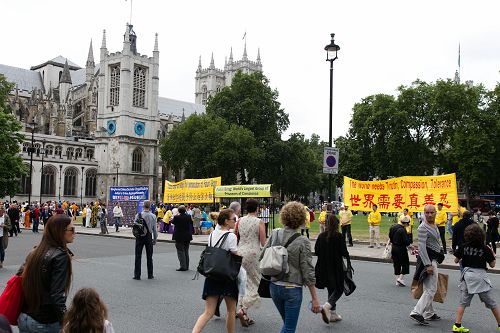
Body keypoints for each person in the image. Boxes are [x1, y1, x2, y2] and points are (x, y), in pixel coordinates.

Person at [260, 201, 321, 332]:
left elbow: (262, 256)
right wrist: (315, 298)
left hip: (274, 286)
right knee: (289, 328)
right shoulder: (303, 241)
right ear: (301, 219)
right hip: (292, 288)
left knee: (287, 324)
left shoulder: (275, 233)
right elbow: (308, 271)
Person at [18, 214, 75, 333]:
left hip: (25, 316)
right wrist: (66, 321)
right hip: (45, 321)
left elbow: (19, 276)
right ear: (60, 231)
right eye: (72, 229)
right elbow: (56, 294)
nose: (75, 233)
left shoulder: (36, 250)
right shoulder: (60, 256)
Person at [192, 208, 239, 333]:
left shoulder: (213, 233)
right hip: (226, 275)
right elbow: (234, 253)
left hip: (212, 274)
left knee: (208, 312)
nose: (235, 221)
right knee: (231, 310)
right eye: (233, 219)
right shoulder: (231, 236)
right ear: (226, 221)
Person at [452, 224, 500, 332]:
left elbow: (455, 260)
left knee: (463, 302)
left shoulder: (463, 246)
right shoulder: (485, 248)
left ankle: (457, 325)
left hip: (467, 277)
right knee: (492, 303)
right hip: (480, 277)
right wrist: (492, 254)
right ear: (481, 236)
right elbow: (492, 264)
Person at [409, 204, 444, 326]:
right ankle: (416, 312)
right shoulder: (423, 227)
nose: (429, 214)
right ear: (424, 213)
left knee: (428, 287)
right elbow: (422, 248)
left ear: (435, 213)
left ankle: (428, 313)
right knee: (431, 289)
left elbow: (436, 242)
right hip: (427, 260)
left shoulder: (434, 225)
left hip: (433, 258)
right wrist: (428, 264)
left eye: (431, 212)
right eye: (427, 212)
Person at [235, 199, 266, 326]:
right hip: (253, 254)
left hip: (240, 252)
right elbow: (263, 242)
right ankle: (243, 309)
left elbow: (235, 235)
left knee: (243, 283)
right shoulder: (259, 222)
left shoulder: (240, 220)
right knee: (256, 283)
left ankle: (243, 311)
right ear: (257, 208)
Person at [315, 214, 350, 324]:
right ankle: (326, 307)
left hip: (322, 266)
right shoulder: (339, 236)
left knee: (331, 288)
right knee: (339, 288)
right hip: (335, 266)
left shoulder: (321, 236)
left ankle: (333, 314)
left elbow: (316, 251)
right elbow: (344, 252)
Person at [133, 200, 157, 280]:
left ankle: (137, 275)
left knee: (138, 256)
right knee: (149, 256)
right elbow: (154, 230)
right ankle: (150, 274)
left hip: (140, 236)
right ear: (150, 207)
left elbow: (135, 226)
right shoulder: (153, 216)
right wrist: (155, 238)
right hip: (149, 236)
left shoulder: (138, 215)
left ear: (143, 206)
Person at [390, 216, 411, 286]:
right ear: (406, 223)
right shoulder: (403, 230)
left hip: (394, 247)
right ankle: (400, 278)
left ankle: (397, 280)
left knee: (396, 264)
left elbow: (390, 236)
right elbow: (406, 241)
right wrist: (411, 246)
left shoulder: (393, 227)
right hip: (401, 248)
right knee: (405, 263)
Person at [172, 205, 193, 271]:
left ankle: (183, 266)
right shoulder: (188, 216)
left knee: (180, 251)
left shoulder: (176, 217)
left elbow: (172, 222)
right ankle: (186, 266)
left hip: (179, 236)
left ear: (178, 211)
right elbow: (191, 223)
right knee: (186, 251)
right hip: (187, 235)